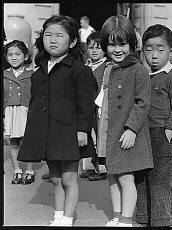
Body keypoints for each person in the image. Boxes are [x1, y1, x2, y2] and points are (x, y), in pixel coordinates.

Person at [17, 15, 96, 226]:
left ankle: (67, 219)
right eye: (48, 35)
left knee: (69, 179)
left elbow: (86, 104)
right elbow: (35, 103)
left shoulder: (80, 70)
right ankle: (58, 216)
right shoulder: (38, 71)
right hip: (47, 133)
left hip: (69, 132)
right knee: (56, 179)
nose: (53, 39)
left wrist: (82, 130)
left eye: (59, 35)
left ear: (71, 42)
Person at [97, 15, 153, 227]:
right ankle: (118, 215)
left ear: (132, 44)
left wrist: (131, 129)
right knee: (113, 175)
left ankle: (126, 220)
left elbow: (143, 103)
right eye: (112, 44)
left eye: (122, 43)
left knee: (126, 178)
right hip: (109, 130)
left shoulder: (138, 70)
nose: (117, 49)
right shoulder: (108, 69)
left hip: (127, 133)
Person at [135, 24, 172, 227]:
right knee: (143, 177)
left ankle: (162, 219)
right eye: (149, 49)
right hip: (143, 133)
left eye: (160, 49)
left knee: (162, 181)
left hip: (163, 134)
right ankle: (144, 216)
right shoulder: (143, 76)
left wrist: (169, 130)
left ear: (171, 50)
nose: (154, 55)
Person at [3, 40, 35, 185]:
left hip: (26, 111)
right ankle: (17, 170)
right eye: (10, 55)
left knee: (27, 141)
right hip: (10, 111)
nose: (14, 57)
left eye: (18, 54)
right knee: (14, 142)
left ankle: (29, 170)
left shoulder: (32, 74)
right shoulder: (4, 75)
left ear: (26, 56)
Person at [83, 31, 108, 181]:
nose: (94, 51)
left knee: (101, 137)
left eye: (98, 48)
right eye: (91, 47)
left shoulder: (106, 66)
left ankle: (102, 169)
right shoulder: (86, 65)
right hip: (86, 107)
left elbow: (105, 88)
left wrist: (99, 105)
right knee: (89, 136)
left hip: (99, 107)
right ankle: (91, 165)